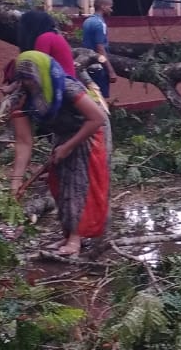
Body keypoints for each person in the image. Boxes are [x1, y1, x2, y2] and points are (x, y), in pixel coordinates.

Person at [7, 51, 110, 257]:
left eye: (31, 77)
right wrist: (16, 181)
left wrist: (69, 146)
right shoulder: (22, 99)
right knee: (60, 183)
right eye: (23, 78)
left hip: (91, 131)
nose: (28, 83)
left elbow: (96, 118)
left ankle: (75, 239)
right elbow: (24, 141)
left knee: (80, 182)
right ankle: (68, 234)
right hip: (64, 134)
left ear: (41, 73)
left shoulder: (67, 87)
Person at [18, 9, 76, 77]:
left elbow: (39, 67)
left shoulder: (44, 38)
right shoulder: (54, 35)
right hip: (65, 80)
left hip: (61, 83)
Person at [81, 0, 116, 99]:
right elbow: (100, 48)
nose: (111, 10)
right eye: (110, 7)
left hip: (88, 66)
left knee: (91, 97)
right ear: (103, 6)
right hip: (98, 67)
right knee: (101, 100)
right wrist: (110, 70)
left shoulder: (87, 21)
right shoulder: (99, 24)